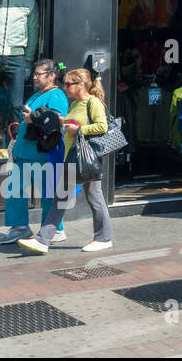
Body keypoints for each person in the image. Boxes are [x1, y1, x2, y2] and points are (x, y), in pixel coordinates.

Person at [18, 68, 113, 254]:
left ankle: (44, 240)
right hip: (73, 158)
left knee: (75, 199)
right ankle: (46, 240)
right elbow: (71, 122)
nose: (65, 87)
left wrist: (78, 130)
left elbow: (102, 126)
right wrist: (59, 121)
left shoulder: (93, 102)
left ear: (82, 85)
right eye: (66, 83)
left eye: (70, 84)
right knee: (81, 199)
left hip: (84, 159)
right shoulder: (76, 103)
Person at [0, 59, 69, 244]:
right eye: (35, 73)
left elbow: (55, 121)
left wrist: (33, 118)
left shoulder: (56, 95)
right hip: (25, 152)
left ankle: (55, 229)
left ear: (51, 76)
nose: (35, 77)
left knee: (47, 194)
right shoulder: (39, 93)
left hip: (42, 153)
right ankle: (19, 227)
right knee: (15, 189)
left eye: (39, 74)